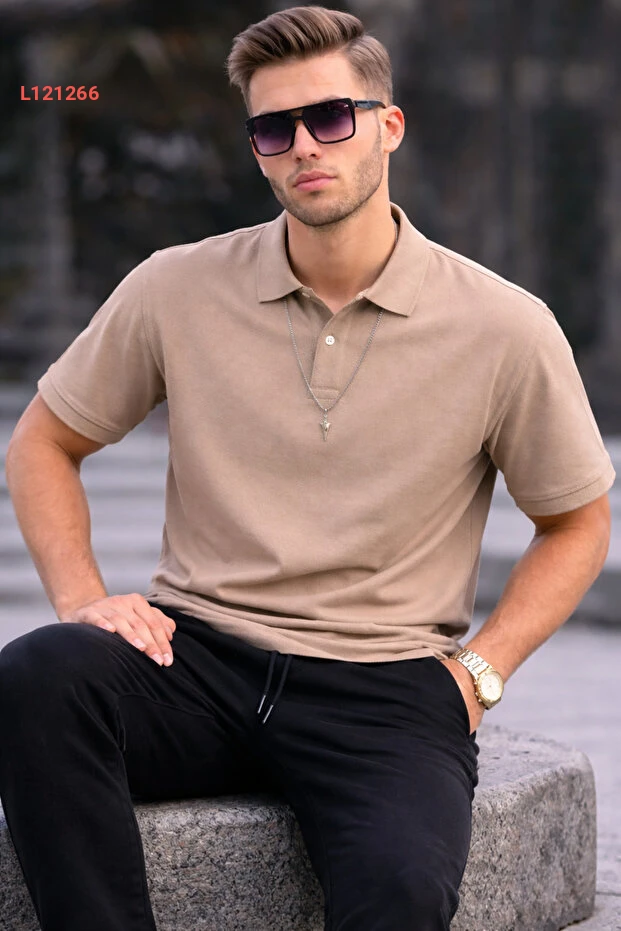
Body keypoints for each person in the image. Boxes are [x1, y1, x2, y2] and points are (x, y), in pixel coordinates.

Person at [0, 6, 614, 931]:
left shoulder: (504, 325)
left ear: (388, 125)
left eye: (329, 117)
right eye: (273, 129)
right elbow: (43, 441)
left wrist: (479, 673)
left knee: (399, 890)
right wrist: (84, 597)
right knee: (38, 678)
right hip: (195, 659)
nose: (303, 147)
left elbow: (576, 521)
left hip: (386, 686)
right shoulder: (176, 286)